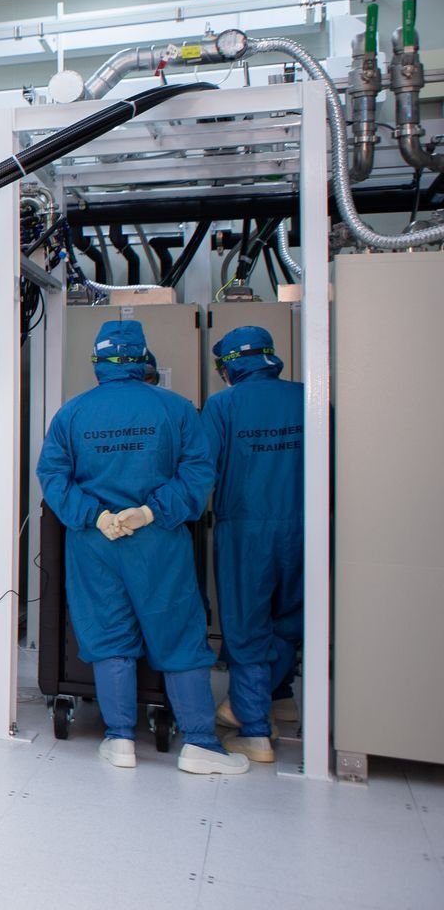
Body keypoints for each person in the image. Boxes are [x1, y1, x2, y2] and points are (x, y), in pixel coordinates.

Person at [37, 320, 247, 776]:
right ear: (142, 358)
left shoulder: (71, 414)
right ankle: (200, 743)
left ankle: (119, 739)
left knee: (109, 636)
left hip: (96, 543)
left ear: (97, 362)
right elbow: (197, 474)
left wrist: (96, 516)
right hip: (157, 542)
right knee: (179, 634)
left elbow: (53, 477)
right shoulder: (175, 409)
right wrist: (151, 512)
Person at [203, 326, 305, 764]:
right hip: (307, 526)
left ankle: (253, 726)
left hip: (246, 530)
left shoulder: (223, 405)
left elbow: (200, 468)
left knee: (247, 627)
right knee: (291, 620)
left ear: (228, 366)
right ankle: (280, 700)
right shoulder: (310, 397)